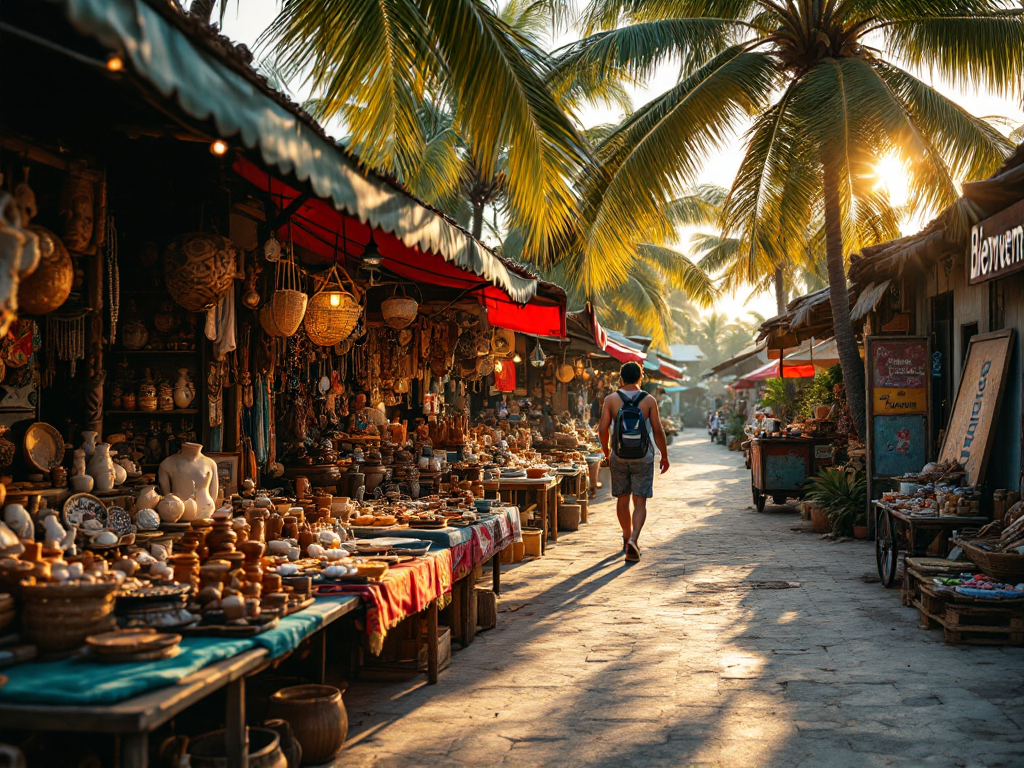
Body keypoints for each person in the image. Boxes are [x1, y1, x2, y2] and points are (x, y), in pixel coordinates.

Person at [598, 362, 670, 562]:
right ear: (640, 377)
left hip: (619, 455)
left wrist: (606, 451)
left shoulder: (611, 400)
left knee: (622, 498)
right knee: (640, 500)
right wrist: (664, 456)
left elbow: (602, 429)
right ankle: (634, 540)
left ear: (621, 378)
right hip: (643, 456)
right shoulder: (649, 400)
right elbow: (658, 430)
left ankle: (626, 536)